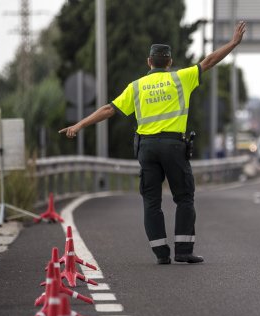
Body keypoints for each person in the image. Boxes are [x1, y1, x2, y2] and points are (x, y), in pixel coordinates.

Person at [59, 21, 248, 265]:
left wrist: (79, 125)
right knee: (184, 197)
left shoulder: (136, 87)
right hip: (173, 147)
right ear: (169, 62)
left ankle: (161, 254)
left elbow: (108, 109)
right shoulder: (182, 78)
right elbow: (209, 61)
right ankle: (183, 251)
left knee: (151, 202)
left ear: (149, 62)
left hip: (147, 148)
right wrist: (233, 43)